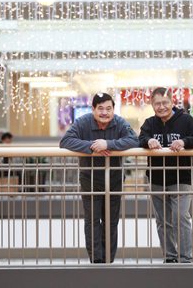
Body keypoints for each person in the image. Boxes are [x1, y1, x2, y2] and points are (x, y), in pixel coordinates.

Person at [60, 93, 138, 263]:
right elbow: (65, 141)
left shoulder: (120, 122)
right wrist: (92, 146)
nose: (105, 112)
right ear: (93, 109)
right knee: (92, 221)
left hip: (115, 179)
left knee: (111, 222)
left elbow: (134, 140)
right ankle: (96, 260)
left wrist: (109, 144)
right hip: (90, 179)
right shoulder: (83, 122)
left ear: (113, 109)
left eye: (108, 108)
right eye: (100, 108)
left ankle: (108, 260)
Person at [139, 87, 193, 263]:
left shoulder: (186, 120)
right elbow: (139, 139)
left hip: (181, 178)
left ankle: (185, 257)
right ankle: (169, 256)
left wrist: (184, 141)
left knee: (180, 217)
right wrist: (148, 141)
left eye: (165, 102)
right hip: (156, 179)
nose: (161, 107)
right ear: (152, 105)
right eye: (157, 103)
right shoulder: (149, 123)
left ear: (172, 102)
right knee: (162, 221)